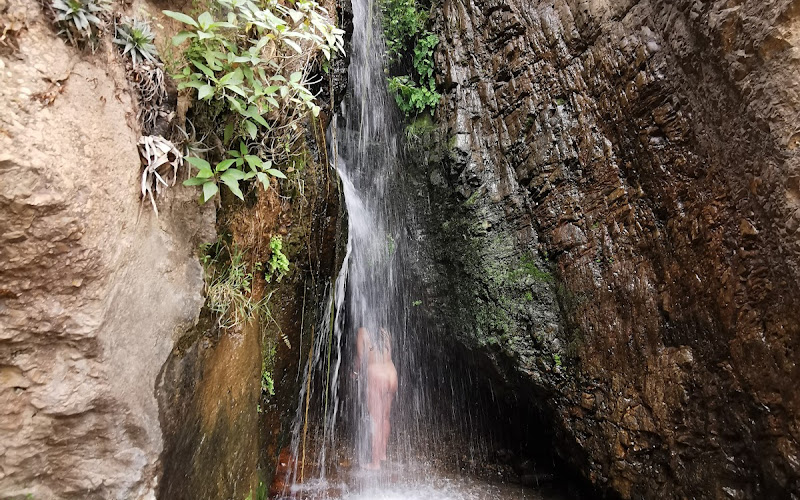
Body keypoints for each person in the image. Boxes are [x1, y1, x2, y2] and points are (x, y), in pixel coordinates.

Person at [354, 326, 398, 470]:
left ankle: (375, 463)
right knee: (385, 417)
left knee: (376, 421)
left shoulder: (363, 331)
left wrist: (355, 373)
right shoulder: (385, 330)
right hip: (391, 374)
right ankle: (382, 454)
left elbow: (360, 357)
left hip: (377, 375)